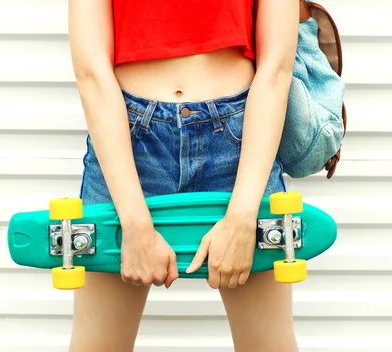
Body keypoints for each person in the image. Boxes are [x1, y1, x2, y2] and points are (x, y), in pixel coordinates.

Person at [67, 0, 301, 350]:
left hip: (238, 140)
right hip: (126, 140)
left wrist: (241, 216)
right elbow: (91, 73)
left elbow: (277, 70)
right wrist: (134, 223)